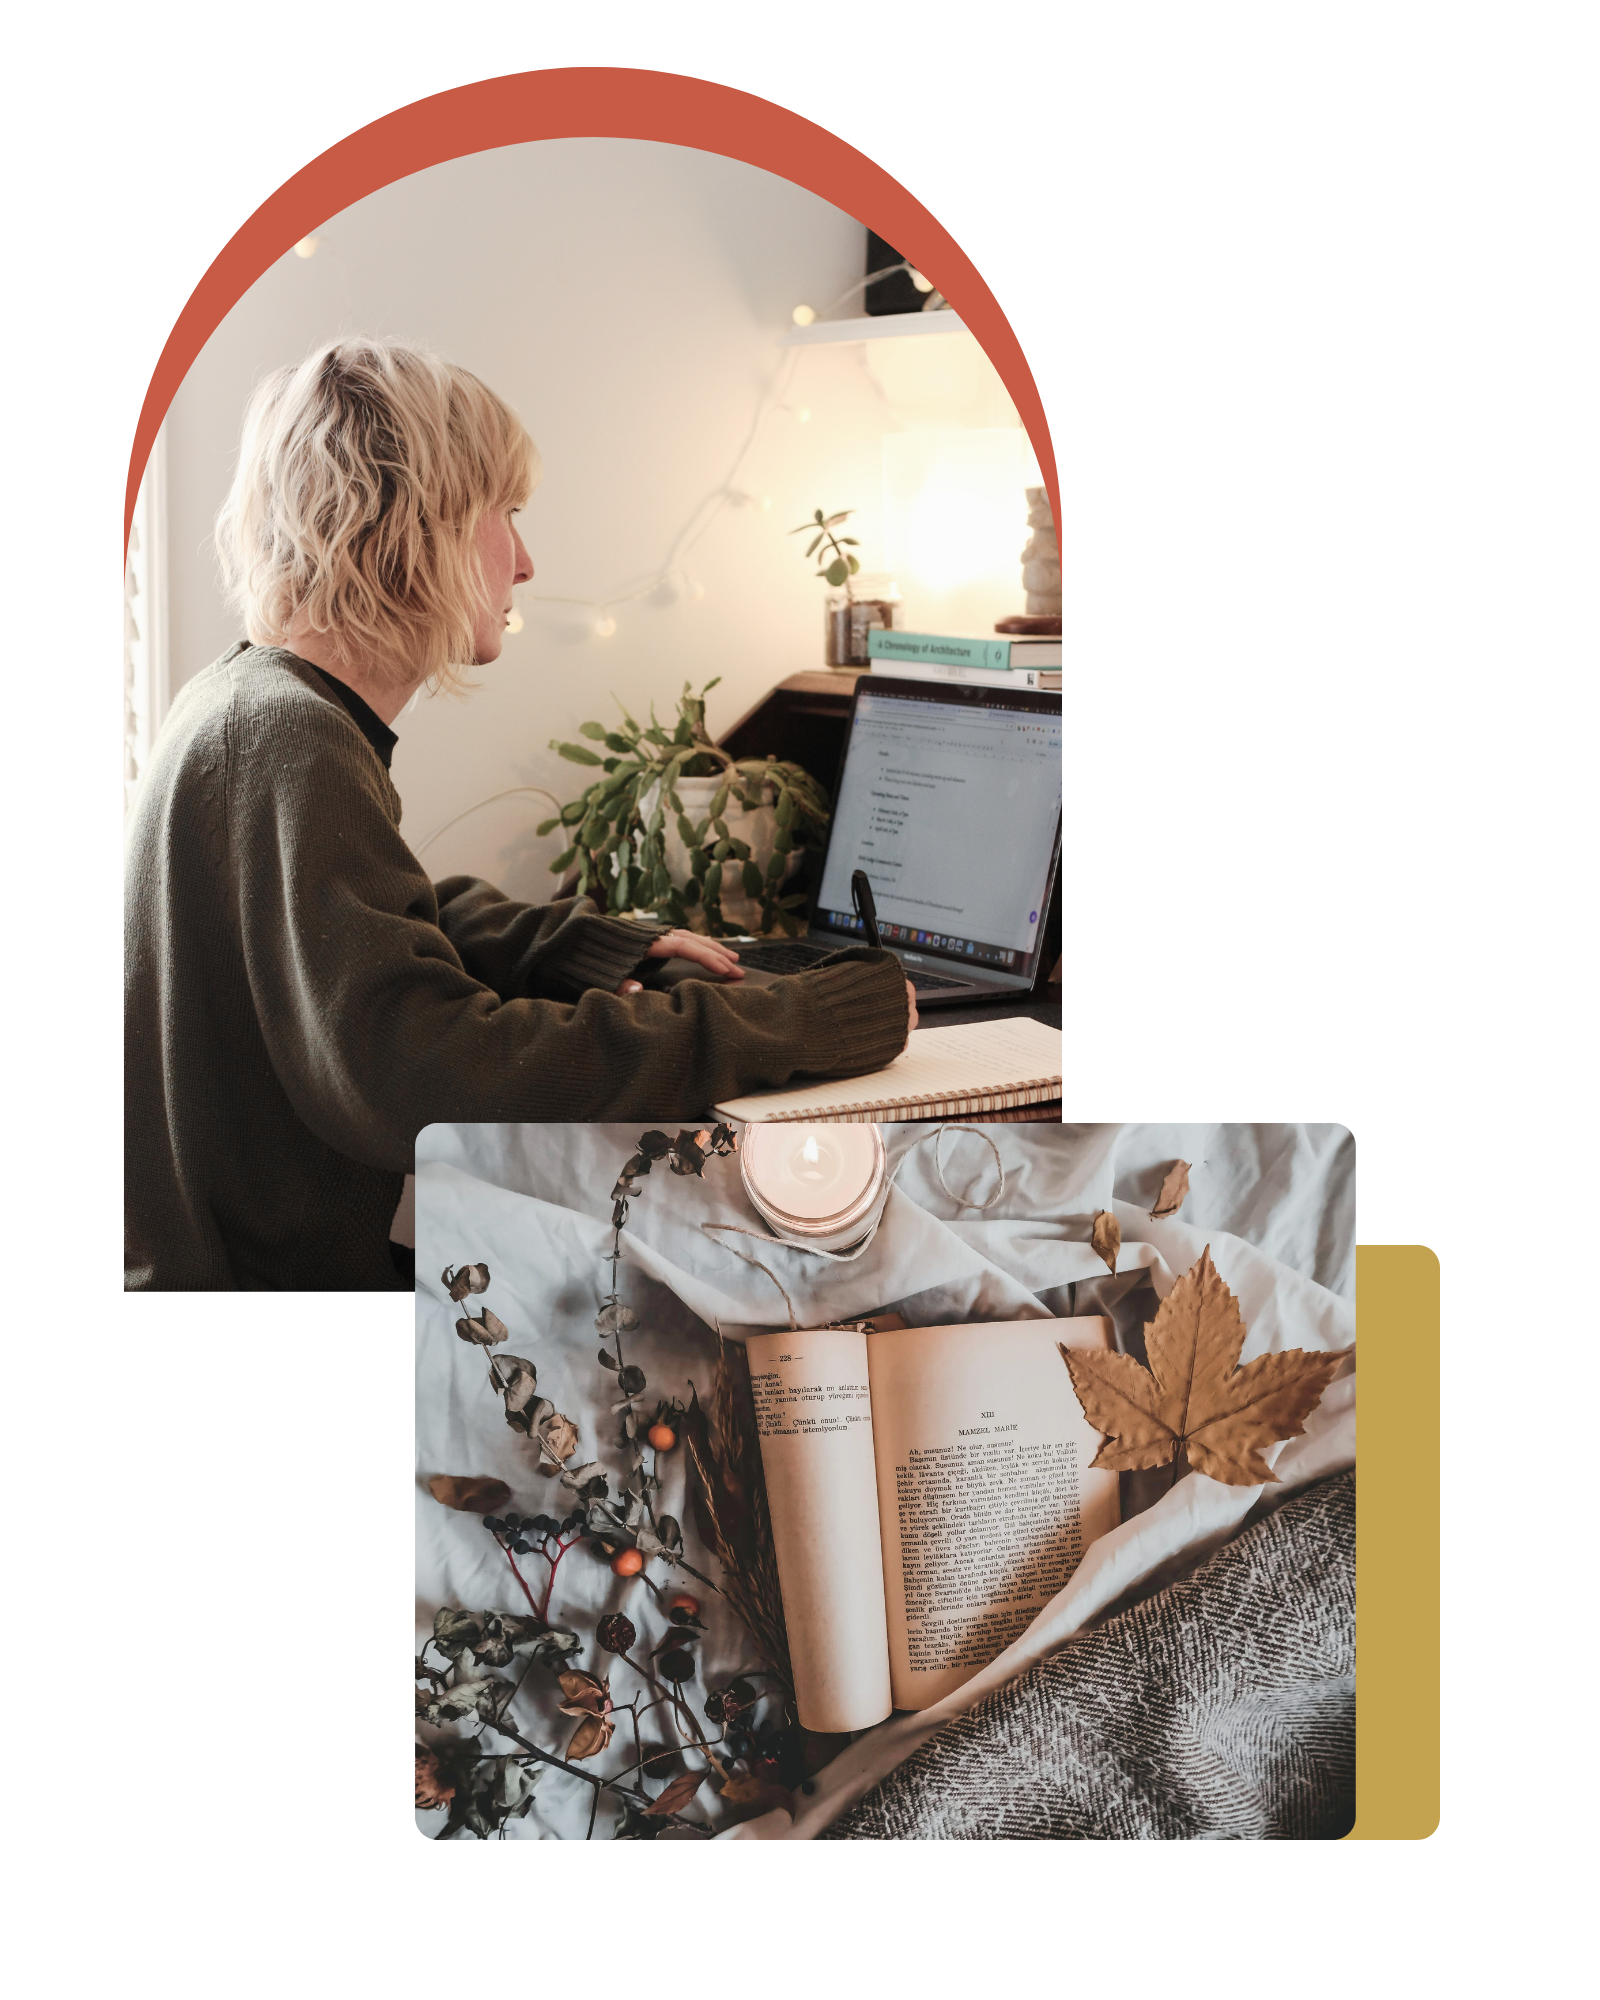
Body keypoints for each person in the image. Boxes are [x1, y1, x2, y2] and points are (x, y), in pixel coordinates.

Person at [124, 338, 917, 1292]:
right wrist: (797, 1022)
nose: (527, 562)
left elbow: (379, 912)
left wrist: (591, 944)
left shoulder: (245, 701)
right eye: (506, 514)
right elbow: (432, 1077)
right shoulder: (292, 743)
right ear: (416, 524)